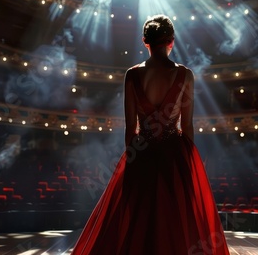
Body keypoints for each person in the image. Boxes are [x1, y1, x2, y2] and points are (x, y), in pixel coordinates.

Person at [71, 14, 230, 255]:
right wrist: (188, 163)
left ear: (145, 42)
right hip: (174, 154)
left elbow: (129, 127)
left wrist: (132, 160)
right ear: (171, 42)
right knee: (177, 220)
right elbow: (187, 126)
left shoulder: (132, 74)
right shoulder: (185, 74)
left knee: (138, 219)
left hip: (141, 152)